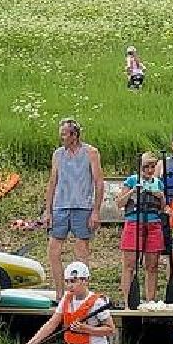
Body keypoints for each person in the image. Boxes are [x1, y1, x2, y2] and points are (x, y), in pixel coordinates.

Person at [19, 262, 126, 344]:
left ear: (85, 280)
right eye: (67, 281)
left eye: (74, 281)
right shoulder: (66, 299)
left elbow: (110, 330)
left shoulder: (97, 302)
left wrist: (86, 329)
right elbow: (50, 324)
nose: (70, 286)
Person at [37, 118, 102, 297]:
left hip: (82, 206)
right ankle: (60, 292)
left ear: (74, 135)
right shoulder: (58, 154)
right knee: (53, 248)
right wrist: (47, 210)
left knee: (81, 249)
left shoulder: (90, 152)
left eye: (65, 134)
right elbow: (52, 182)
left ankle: (81, 292)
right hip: (60, 206)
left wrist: (96, 210)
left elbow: (98, 182)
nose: (62, 137)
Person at [114, 152, 165, 306]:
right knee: (129, 265)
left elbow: (162, 208)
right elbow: (120, 203)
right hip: (134, 223)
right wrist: (131, 192)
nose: (149, 170)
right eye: (146, 167)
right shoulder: (131, 181)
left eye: (152, 166)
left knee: (152, 265)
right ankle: (127, 300)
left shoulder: (158, 183)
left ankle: (150, 300)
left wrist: (160, 196)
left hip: (153, 223)